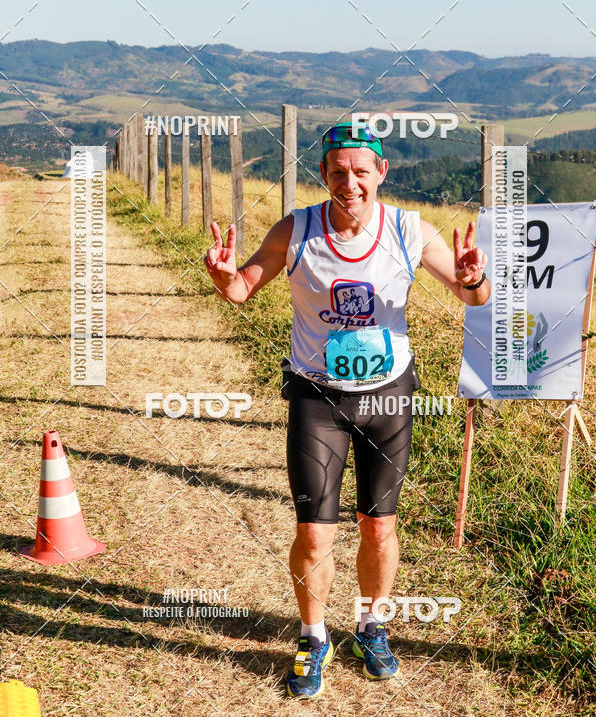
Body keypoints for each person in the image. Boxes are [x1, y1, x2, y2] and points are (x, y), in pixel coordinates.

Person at [204, 120, 489, 700]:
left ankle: (371, 626)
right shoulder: (298, 228)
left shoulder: (408, 229)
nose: (351, 183)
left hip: (388, 396)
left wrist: (473, 278)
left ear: (382, 172)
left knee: (379, 525)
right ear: (324, 174)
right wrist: (224, 275)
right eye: (339, 172)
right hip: (318, 399)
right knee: (314, 534)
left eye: (363, 171)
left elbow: (471, 296)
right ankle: (313, 637)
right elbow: (241, 290)